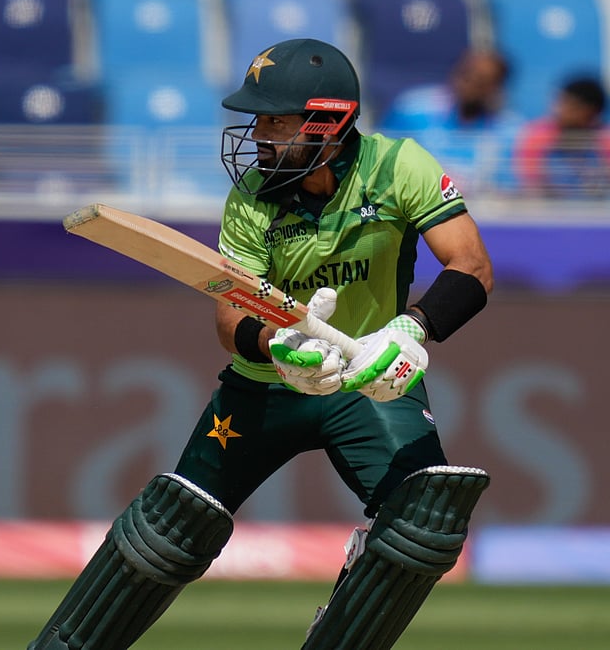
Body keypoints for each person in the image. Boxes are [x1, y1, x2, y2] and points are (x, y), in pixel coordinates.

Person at [28, 38, 494, 650]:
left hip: (366, 381)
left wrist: (409, 329)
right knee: (171, 531)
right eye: (259, 120)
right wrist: (280, 347)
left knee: (424, 522)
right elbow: (229, 320)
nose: (261, 136)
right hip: (265, 387)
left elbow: (472, 267)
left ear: (328, 121)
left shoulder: (397, 165)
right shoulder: (252, 197)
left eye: (276, 120)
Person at [379, 48, 524, 194]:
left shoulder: (510, 132)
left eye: (481, 81)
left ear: (497, 88)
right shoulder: (412, 109)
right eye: (466, 75)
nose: (469, 85)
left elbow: (508, 189)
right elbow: (382, 161)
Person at [514, 75, 610, 200]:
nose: (560, 110)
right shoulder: (537, 136)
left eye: (572, 106)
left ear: (592, 111)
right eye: (561, 102)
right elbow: (530, 183)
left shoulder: (605, 140)